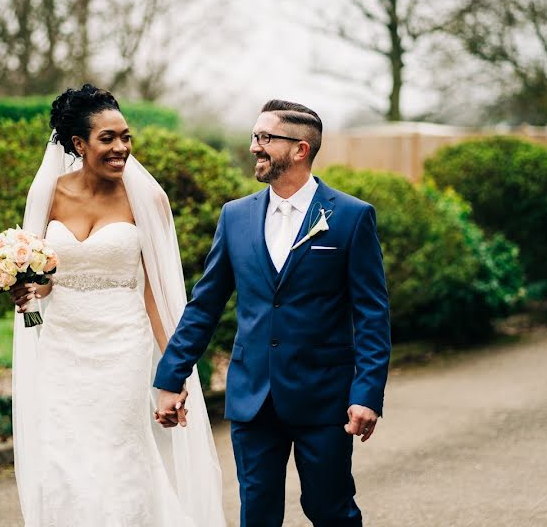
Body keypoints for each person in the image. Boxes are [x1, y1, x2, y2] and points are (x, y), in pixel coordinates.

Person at [154, 99, 391, 526]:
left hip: (323, 397)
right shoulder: (235, 216)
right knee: (257, 514)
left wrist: (367, 394)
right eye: (254, 136)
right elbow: (205, 305)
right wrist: (171, 378)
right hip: (253, 397)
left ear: (300, 149)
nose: (254, 147)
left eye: (265, 138)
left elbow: (372, 314)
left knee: (330, 509)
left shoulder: (351, 218)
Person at [9, 84, 224, 526]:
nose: (121, 147)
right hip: (62, 345)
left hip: (123, 344)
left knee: (118, 455)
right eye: (108, 138)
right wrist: (28, 290)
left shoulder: (149, 200)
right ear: (78, 144)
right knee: (61, 460)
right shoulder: (49, 195)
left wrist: (175, 369)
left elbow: (157, 294)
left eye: (125, 136)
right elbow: (47, 282)